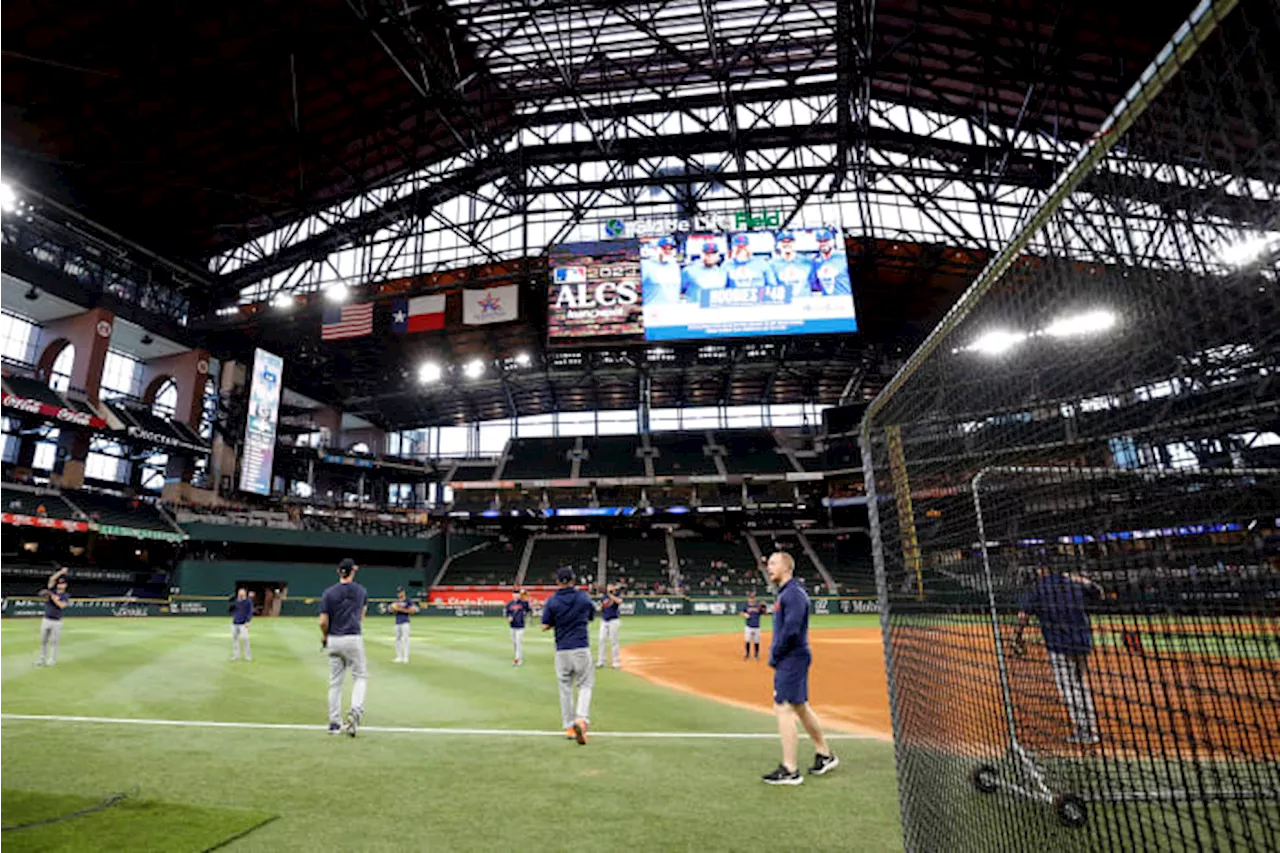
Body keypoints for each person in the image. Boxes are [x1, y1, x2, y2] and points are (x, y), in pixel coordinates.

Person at [763, 552, 837, 785]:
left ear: (786, 567)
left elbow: (792, 630)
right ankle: (825, 754)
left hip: (791, 657)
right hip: (794, 656)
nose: (769, 568)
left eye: (773, 563)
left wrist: (776, 654)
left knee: (783, 707)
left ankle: (790, 769)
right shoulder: (787, 592)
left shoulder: (793, 594)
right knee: (800, 707)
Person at [1012, 567, 1103, 745]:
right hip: (1082, 643)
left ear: (1041, 570)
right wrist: (1074, 577)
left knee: (1069, 688)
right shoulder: (1073, 584)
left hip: (1059, 645)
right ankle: (1089, 726)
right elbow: (1098, 592)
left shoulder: (1039, 588)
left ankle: (1085, 731)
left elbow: (1023, 615)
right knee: (1080, 685)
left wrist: (1017, 637)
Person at [541, 567, 595, 745]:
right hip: (580, 647)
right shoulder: (583, 597)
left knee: (565, 688)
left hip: (562, 649)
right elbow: (591, 616)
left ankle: (569, 727)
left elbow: (545, 626)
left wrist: (559, 621)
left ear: (557, 582)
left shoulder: (552, 601)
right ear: (573, 579)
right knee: (585, 685)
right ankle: (581, 719)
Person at [319, 558, 368, 737]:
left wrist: (324, 637)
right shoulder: (361, 591)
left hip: (334, 638)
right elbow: (362, 616)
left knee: (335, 683)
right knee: (360, 676)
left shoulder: (329, 593)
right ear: (353, 571)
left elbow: (323, 621)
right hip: (353, 637)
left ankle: (334, 723)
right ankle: (355, 711)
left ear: (339, 572)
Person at [38, 567, 70, 667]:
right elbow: (52, 579)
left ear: (65, 585)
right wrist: (61, 572)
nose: (60, 584)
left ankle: (52, 659)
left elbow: (62, 605)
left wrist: (53, 598)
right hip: (46, 619)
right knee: (43, 641)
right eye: (59, 583)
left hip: (56, 621)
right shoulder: (52, 590)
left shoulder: (66, 595)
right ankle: (42, 659)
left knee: (54, 642)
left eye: (62, 583)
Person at [770, 231, 815, 297]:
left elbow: (814, 283)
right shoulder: (772, 265)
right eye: (783, 242)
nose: (786, 244)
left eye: (789, 242)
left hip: (804, 302)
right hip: (784, 303)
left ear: (794, 243)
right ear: (777, 245)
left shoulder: (807, 262)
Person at [642, 236, 684, 305]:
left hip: (672, 310)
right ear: (656, 249)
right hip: (653, 311)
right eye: (664, 248)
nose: (667, 251)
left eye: (670, 249)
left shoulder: (675, 266)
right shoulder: (646, 265)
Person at [810, 229, 851, 296]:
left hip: (846, 299)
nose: (823, 244)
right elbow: (814, 284)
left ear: (833, 241)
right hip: (827, 302)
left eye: (826, 240)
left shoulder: (843, 257)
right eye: (820, 241)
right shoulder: (815, 261)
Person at [596, 584, 623, 669]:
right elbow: (601, 608)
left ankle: (616, 662)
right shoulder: (604, 597)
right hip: (604, 620)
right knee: (601, 640)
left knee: (614, 641)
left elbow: (619, 601)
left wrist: (610, 595)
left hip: (614, 620)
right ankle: (601, 661)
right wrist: (602, 605)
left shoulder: (616, 595)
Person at [390, 587, 418, 664]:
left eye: (401, 592)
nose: (400, 594)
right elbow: (392, 610)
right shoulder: (396, 602)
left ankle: (406, 657)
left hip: (405, 622)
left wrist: (400, 609)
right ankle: (399, 657)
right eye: (398, 592)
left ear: (404, 592)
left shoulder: (408, 601)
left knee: (405, 639)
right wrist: (393, 608)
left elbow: (412, 610)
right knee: (397, 640)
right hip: (397, 622)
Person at [506, 589, 532, 666]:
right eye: (514, 594)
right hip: (512, 626)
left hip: (520, 626)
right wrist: (509, 617)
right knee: (514, 643)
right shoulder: (509, 604)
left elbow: (528, 610)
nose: (516, 595)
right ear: (512, 595)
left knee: (518, 642)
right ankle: (517, 656)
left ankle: (518, 659)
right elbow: (507, 613)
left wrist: (526, 598)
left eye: (517, 594)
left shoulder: (523, 603)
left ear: (519, 595)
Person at [742, 591, 767, 661]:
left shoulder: (758, 607)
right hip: (748, 626)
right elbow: (742, 612)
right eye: (750, 598)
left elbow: (764, 613)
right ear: (748, 599)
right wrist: (745, 615)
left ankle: (756, 655)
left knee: (756, 641)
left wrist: (764, 608)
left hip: (757, 627)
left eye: (753, 598)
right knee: (747, 641)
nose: (751, 599)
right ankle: (747, 654)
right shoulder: (746, 606)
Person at [230, 588, 253, 662]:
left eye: (242, 593)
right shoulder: (236, 601)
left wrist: (247, 621)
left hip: (243, 624)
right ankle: (236, 656)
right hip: (235, 623)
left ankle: (248, 656)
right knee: (235, 640)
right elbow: (231, 610)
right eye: (240, 593)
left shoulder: (248, 601)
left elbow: (250, 612)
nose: (240, 594)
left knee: (245, 639)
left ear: (245, 593)